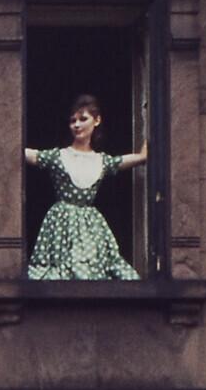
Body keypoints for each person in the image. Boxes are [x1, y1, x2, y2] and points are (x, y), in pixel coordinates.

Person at [22, 94, 143, 283]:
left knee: (97, 271)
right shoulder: (58, 156)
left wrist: (148, 148)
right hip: (61, 223)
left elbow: (130, 159)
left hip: (90, 225)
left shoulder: (102, 160)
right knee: (60, 274)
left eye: (82, 119)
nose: (77, 125)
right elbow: (27, 154)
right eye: (73, 121)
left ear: (97, 120)